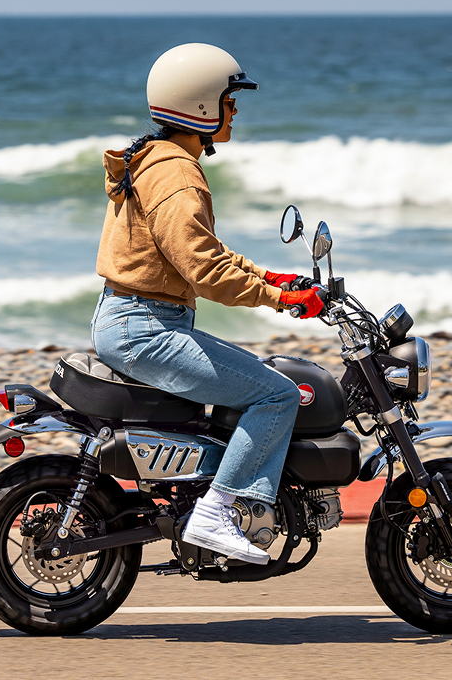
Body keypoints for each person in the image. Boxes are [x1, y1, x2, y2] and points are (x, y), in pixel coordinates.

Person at [91, 43, 323, 565]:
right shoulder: (176, 175)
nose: (235, 112)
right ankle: (218, 514)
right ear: (200, 106)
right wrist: (281, 299)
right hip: (145, 328)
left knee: (254, 385)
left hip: (137, 320)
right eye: (229, 102)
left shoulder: (159, 162)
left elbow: (205, 254)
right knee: (278, 396)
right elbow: (205, 272)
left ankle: (218, 497)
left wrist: (271, 274)